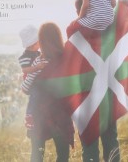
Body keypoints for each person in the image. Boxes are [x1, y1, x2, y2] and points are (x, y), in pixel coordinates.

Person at [25, 23, 74, 162]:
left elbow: (26, 89)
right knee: (63, 156)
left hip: (39, 113)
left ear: (42, 41)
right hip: (61, 114)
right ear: (58, 38)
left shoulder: (37, 62)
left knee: (37, 155)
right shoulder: (66, 60)